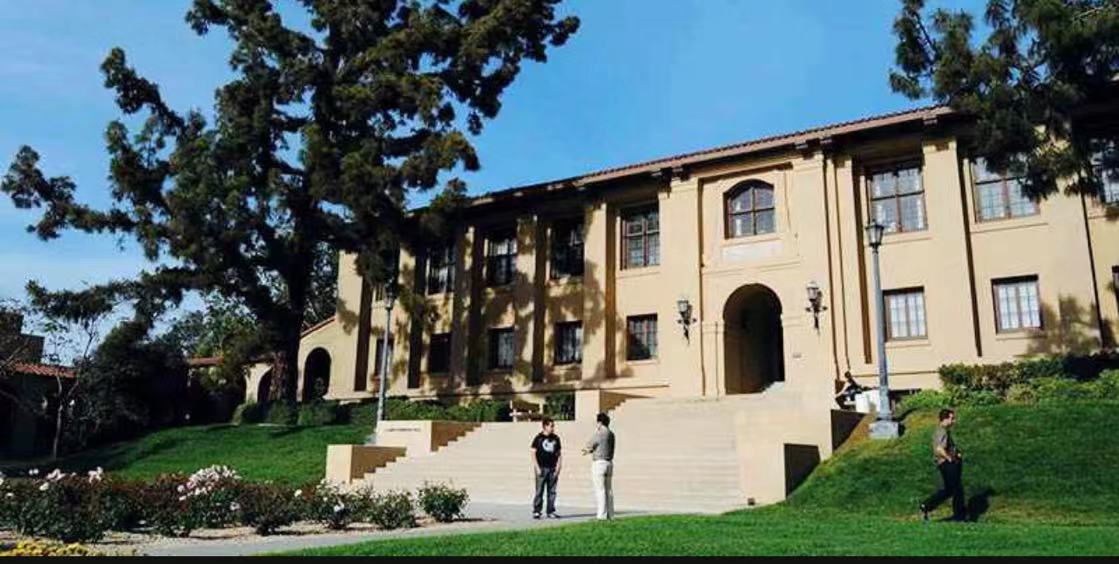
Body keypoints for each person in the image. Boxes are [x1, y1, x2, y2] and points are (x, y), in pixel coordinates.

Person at [920, 408, 966, 522]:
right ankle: (959, 516)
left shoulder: (943, 431)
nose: (954, 421)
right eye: (952, 418)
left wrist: (957, 453)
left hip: (946, 463)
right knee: (957, 489)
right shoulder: (941, 431)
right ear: (945, 419)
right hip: (947, 464)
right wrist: (949, 458)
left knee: (949, 490)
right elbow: (939, 449)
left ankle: (926, 505)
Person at [582, 412, 615, 520]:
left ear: (600, 422)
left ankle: (601, 515)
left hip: (599, 463)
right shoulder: (611, 434)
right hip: (609, 462)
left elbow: (589, 444)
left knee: (600, 490)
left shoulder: (599, 433)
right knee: (609, 490)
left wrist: (588, 450)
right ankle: (610, 514)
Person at [530, 417, 562, 519]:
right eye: (551, 426)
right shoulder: (538, 438)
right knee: (539, 490)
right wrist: (537, 467)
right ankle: (537, 511)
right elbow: (533, 453)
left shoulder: (556, 439)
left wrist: (558, 467)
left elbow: (559, 454)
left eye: (553, 426)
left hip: (552, 468)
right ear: (545, 426)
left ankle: (550, 511)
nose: (553, 428)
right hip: (541, 468)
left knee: (552, 492)